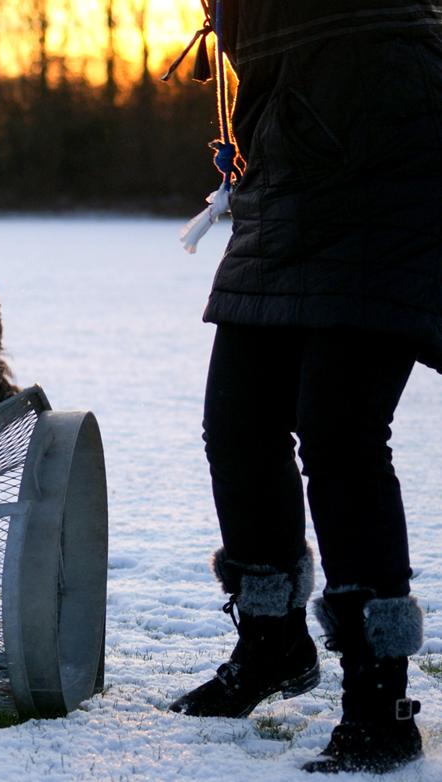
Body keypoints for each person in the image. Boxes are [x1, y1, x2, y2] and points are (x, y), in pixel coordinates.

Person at [165, 0, 442, 774]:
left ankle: (380, 703)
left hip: (393, 158)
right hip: (287, 161)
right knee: (239, 424)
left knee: (340, 431)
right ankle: (273, 643)